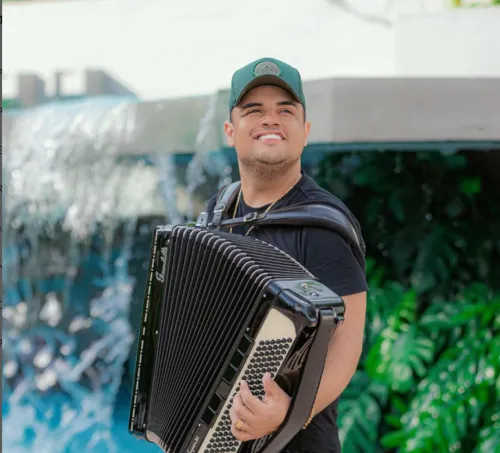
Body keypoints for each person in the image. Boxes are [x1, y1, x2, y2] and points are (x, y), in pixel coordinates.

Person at [202, 57, 368, 453]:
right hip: (215, 438)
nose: (270, 120)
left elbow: (346, 343)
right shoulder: (217, 212)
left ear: (304, 131)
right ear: (231, 131)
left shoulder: (322, 227)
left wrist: (292, 412)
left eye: (285, 111)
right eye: (254, 110)